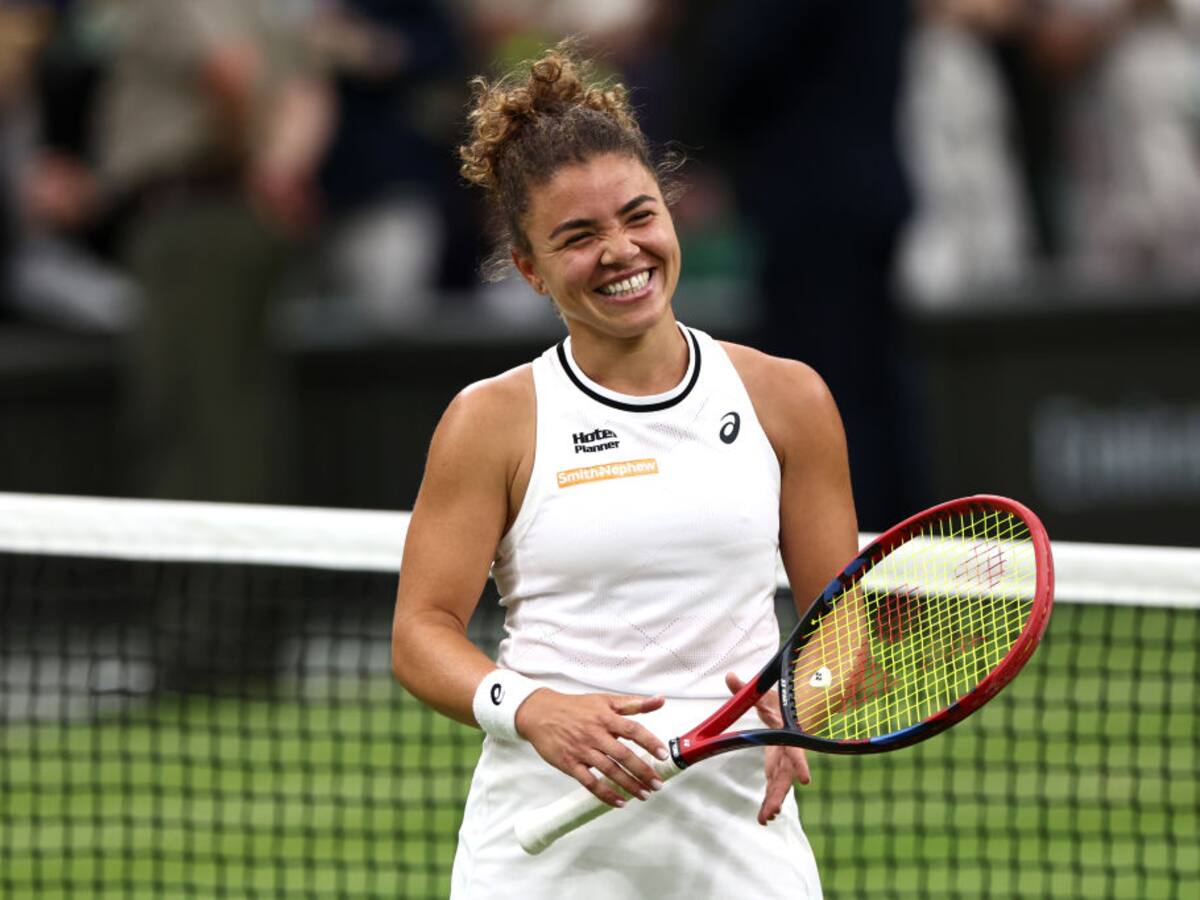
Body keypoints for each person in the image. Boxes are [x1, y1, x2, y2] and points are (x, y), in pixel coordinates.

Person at [391, 44, 858, 898]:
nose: (621, 250)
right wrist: (530, 708)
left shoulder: (789, 400)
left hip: (739, 844)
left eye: (638, 215)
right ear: (529, 268)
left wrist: (804, 703)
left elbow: (844, 626)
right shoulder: (491, 421)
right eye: (578, 237)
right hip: (538, 852)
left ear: (670, 215)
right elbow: (420, 634)